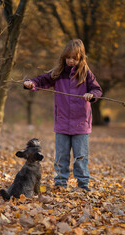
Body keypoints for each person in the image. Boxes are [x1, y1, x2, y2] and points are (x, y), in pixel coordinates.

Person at [23, 39, 102, 191]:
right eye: (68, 57)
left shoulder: (86, 74)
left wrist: (91, 94)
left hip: (81, 124)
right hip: (62, 123)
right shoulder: (58, 73)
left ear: (81, 58)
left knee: (80, 157)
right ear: (64, 57)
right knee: (61, 156)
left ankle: (83, 184)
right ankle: (60, 183)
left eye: (75, 58)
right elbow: (42, 80)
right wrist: (31, 83)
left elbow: (97, 90)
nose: (71, 61)